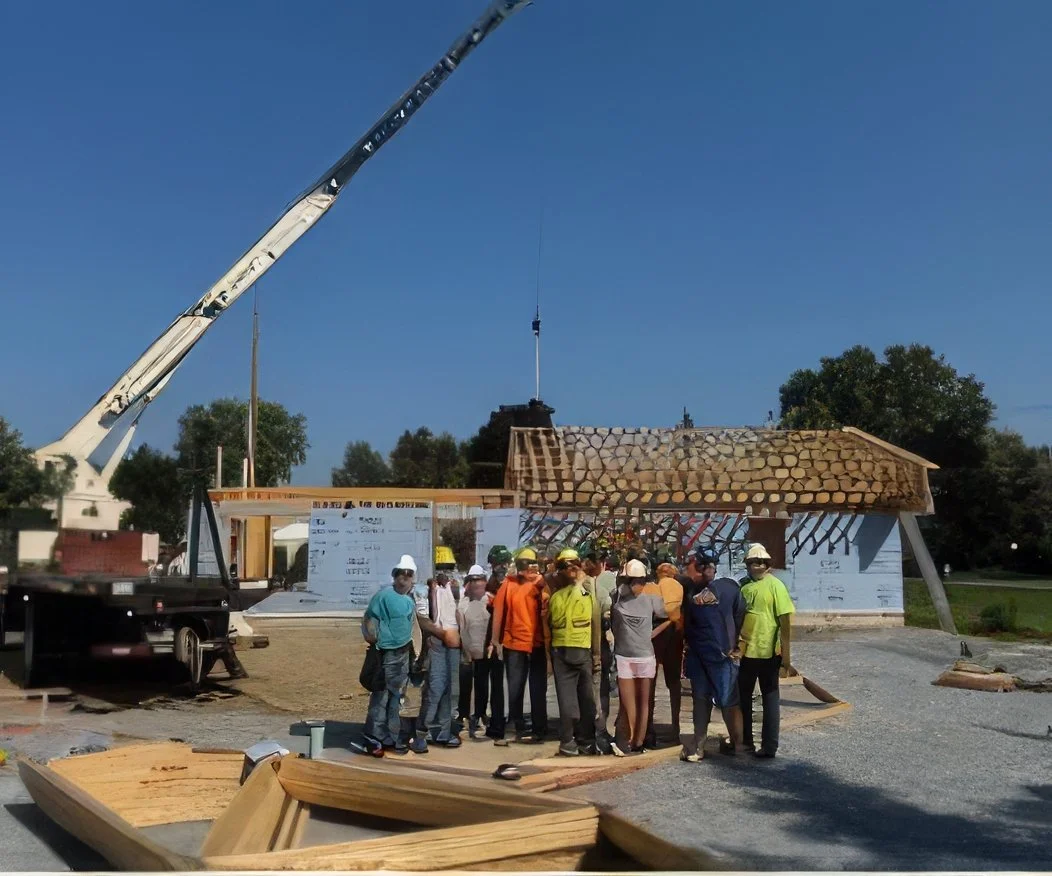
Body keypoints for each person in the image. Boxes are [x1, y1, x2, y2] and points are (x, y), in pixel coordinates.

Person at [680, 546, 747, 763]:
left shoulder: (725, 588)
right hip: (702, 655)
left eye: (690, 566)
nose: (687, 570)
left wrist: (735, 642)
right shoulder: (692, 589)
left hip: (719, 656)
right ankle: (702, 746)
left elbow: (739, 615)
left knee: (727, 700)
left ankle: (735, 747)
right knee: (704, 699)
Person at [737, 543, 796, 759]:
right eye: (753, 562)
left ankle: (769, 746)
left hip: (769, 652)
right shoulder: (743, 586)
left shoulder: (776, 586)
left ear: (768, 565)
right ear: (747, 564)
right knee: (743, 698)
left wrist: (786, 658)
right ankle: (745, 742)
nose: (757, 566)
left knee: (770, 699)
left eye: (761, 562)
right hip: (746, 651)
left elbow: (786, 621)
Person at [361, 555, 421, 755]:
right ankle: (373, 737)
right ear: (394, 576)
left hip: (403, 652)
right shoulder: (384, 596)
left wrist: (415, 653)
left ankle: (390, 735)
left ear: (413, 578)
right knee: (381, 694)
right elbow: (369, 618)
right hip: (385, 653)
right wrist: (373, 639)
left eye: (408, 574)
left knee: (397, 696)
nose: (404, 578)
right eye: (401, 574)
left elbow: (412, 626)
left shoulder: (409, 601)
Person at [490, 546, 550, 743]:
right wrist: (495, 641)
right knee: (515, 687)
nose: (526, 569)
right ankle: (514, 725)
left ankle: (539, 727)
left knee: (538, 688)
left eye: (530, 564)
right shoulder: (509, 583)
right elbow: (498, 611)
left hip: (537, 644)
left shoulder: (542, 583)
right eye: (523, 564)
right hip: (514, 644)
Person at [610, 559, 668, 755]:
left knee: (632, 703)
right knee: (641, 702)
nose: (639, 585)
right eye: (637, 581)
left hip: (628, 656)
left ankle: (632, 741)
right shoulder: (651, 600)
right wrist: (652, 634)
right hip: (642, 655)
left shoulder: (617, 599)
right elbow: (668, 616)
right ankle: (637, 742)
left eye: (641, 581)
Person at [547, 549, 602, 756]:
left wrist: (596, 656)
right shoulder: (566, 596)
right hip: (569, 654)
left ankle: (578, 740)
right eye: (568, 566)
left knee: (583, 701)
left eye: (573, 565)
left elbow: (595, 627)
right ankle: (574, 740)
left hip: (575, 653)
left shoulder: (575, 595)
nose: (572, 569)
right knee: (572, 702)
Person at [457, 564, 503, 739]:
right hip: (472, 654)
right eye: (473, 580)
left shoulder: (492, 600)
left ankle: (490, 719)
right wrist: (466, 651)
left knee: (493, 687)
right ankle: (472, 717)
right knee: (474, 687)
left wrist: (495, 644)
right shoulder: (463, 604)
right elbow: (462, 629)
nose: (477, 583)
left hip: (491, 651)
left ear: (485, 581)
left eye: (479, 579)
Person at [643, 562, 685, 746]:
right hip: (674, 635)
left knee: (650, 682)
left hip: (658, 636)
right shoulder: (677, 586)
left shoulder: (651, 588)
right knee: (673, 683)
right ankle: (674, 728)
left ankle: (647, 728)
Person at [420, 571, 463, 747]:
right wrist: (439, 634)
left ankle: (444, 731)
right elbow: (423, 618)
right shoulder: (425, 591)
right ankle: (425, 730)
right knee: (435, 687)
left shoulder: (452, 590)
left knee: (451, 688)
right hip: (437, 642)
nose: (444, 575)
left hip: (452, 644)